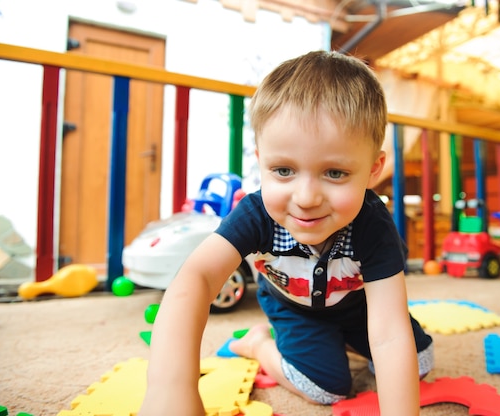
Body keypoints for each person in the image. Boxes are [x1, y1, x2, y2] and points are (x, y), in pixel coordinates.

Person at [139, 50, 433, 416]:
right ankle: (259, 344)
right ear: (262, 160)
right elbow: (195, 279)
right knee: (325, 388)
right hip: (295, 309)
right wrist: (170, 389)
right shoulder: (256, 213)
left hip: (359, 307)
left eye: (335, 173)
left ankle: (341, 341)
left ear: (373, 170)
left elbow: (388, 330)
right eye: (283, 171)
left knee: (418, 363)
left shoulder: (374, 224)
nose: (306, 198)